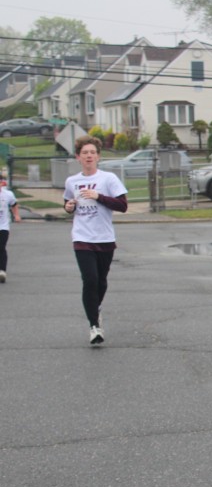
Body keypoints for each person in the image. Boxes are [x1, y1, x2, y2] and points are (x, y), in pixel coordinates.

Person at [63, 135, 128, 345]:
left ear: (98, 156)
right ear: (78, 157)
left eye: (92, 152)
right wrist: (68, 207)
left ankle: (95, 308)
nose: (89, 156)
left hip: (105, 237)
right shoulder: (72, 181)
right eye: (85, 153)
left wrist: (98, 196)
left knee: (101, 281)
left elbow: (123, 206)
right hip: (82, 237)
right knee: (89, 280)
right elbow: (67, 203)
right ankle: (94, 326)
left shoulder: (108, 179)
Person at [0, 179, 22, 282]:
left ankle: (2, 271)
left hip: (3, 226)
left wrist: (16, 215)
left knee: (1, 247)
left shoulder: (8, 194)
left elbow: (14, 204)